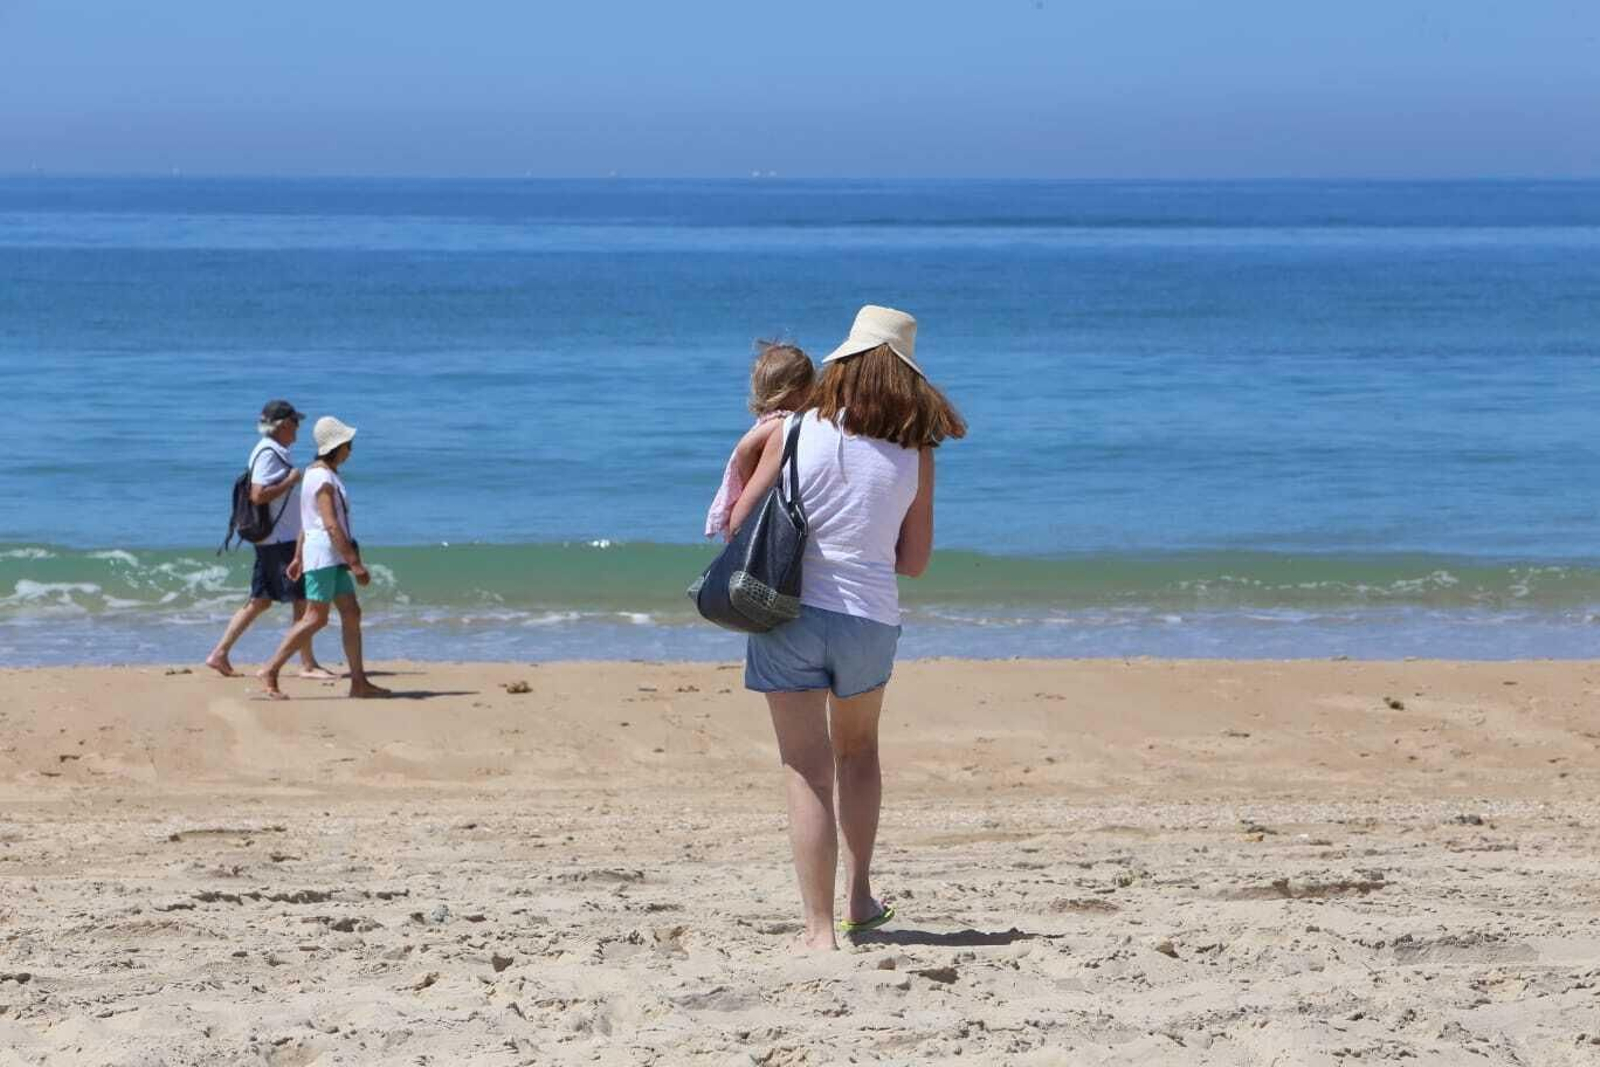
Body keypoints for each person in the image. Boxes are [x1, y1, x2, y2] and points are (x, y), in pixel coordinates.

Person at [729, 305, 966, 952]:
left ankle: (818, 931)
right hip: (868, 617)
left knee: (805, 768)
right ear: (905, 378)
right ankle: (860, 896)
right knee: (857, 754)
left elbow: (737, 524)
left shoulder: (796, 430)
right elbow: (913, 562)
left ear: (843, 364)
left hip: (789, 614)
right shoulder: (917, 451)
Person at [257, 416, 391, 701]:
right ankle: (270, 669)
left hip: (327, 556)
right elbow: (330, 524)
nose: (350, 451)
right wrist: (355, 564)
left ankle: (359, 682)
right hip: (326, 557)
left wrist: (297, 557)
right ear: (336, 447)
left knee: (351, 613)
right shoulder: (322, 478)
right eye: (348, 445)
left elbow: (308, 523)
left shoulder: (320, 474)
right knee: (315, 618)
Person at [205, 400, 334, 679]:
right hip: (280, 541)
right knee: (302, 599)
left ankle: (219, 654)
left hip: (273, 541)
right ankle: (308, 663)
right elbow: (258, 494)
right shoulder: (268, 452)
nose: (298, 429)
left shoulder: (273, 450)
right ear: (284, 424)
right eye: (295, 423)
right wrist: (291, 480)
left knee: (260, 600)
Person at [705, 342, 815, 542]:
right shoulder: (783, 423)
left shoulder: (769, 422)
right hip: (758, 515)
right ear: (799, 391)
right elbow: (745, 448)